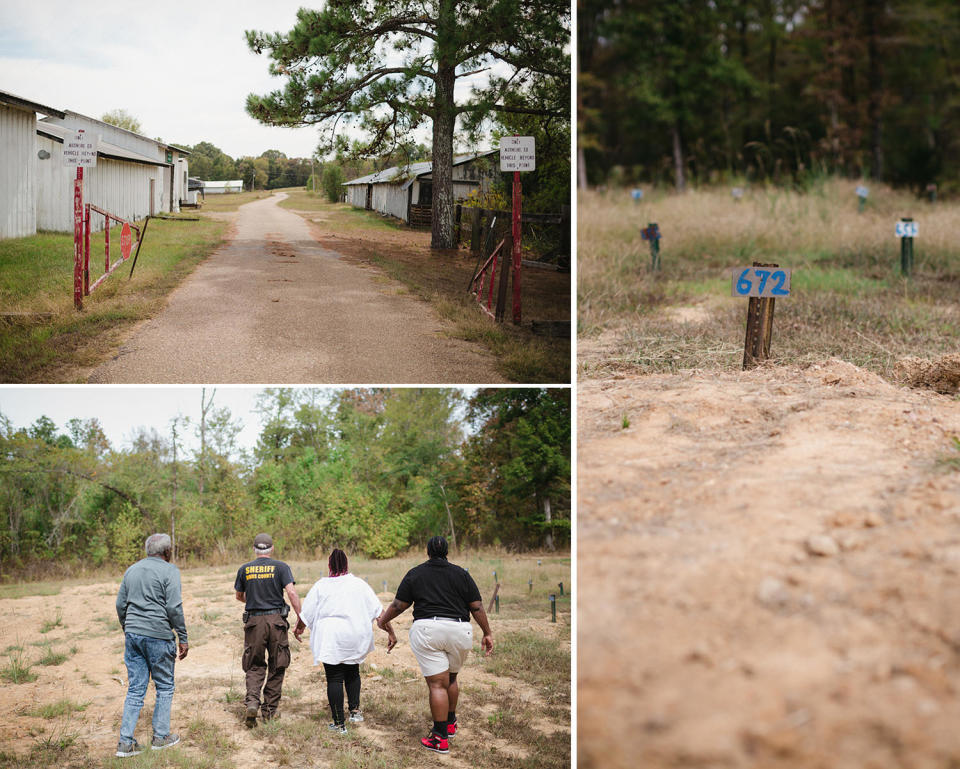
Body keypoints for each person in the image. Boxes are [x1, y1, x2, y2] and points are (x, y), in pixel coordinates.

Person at [377, 536, 493, 754]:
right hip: (460, 630)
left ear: (427, 551)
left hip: (428, 630)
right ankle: (450, 723)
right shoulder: (462, 574)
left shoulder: (416, 573)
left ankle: (439, 738)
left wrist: (383, 621)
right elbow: (476, 607)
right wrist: (487, 633)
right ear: (447, 552)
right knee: (451, 678)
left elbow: (399, 604)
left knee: (437, 685)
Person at [293, 548, 397, 733]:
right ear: (347, 564)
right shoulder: (359, 584)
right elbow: (379, 614)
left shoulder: (321, 585)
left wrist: (299, 628)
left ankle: (339, 724)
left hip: (331, 637)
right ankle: (355, 712)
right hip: (354, 635)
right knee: (352, 671)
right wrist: (391, 632)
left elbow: (305, 614)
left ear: (329, 565)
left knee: (334, 677)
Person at [115, 533, 188, 758]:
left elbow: (120, 604)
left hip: (134, 635)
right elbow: (174, 607)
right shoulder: (170, 571)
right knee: (165, 686)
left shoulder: (131, 570)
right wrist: (183, 636)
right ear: (167, 552)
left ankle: (125, 743)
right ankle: (161, 737)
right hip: (158, 635)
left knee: (136, 688)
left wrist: (128, 627)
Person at [234, 533, 303, 728]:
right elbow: (291, 592)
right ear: (272, 549)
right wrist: (301, 617)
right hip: (276, 622)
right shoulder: (281, 567)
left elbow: (239, 596)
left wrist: (256, 599)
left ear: (255, 549)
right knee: (277, 664)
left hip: (254, 622)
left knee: (254, 665)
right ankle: (270, 712)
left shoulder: (244, 569)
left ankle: (253, 703)